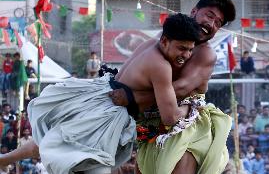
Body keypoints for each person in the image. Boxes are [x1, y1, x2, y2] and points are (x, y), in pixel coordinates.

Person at [0, 13, 201, 174]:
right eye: (182, 48)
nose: (186, 55)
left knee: (55, 140)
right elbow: (170, 117)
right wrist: (191, 108)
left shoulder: (151, 44)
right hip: (107, 115)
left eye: (190, 50)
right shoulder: (161, 66)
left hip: (100, 98)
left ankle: (3, 160)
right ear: (165, 40)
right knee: (82, 157)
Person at [110, 0, 236, 174]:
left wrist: (132, 97)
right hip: (153, 124)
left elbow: (181, 88)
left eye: (218, 23)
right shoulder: (162, 42)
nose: (211, 24)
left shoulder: (206, 54)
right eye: (209, 15)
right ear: (194, 11)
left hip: (189, 124)